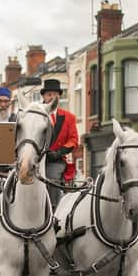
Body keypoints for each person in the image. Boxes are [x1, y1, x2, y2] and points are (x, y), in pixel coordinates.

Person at [40, 79, 79, 207]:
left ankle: (53, 208)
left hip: (55, 160)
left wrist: (59, 152)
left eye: (55, 94)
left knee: (52, 179)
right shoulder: (36, 114)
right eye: (49, 94)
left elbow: (73, 140)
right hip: (37, 158)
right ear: (44, 96)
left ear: (59, 96)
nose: (52, 97)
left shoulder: (69, 117)